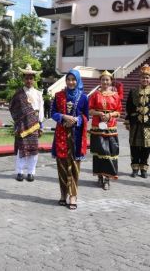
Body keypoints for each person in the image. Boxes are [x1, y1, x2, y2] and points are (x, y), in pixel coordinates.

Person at [51, 69, 89, 210]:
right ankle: (63, 194)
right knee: (61, 166)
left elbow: (86, 117)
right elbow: (52, 113)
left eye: (73, 79)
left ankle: (73, 196)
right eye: (68, 79)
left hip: (76, 137)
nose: (71, 82)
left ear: (77, 80)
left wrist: (77, 120)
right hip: (61, 135)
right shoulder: (59, 95)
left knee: (74, 167)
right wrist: (63, 117)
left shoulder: (84, 97)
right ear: (65, 81)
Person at [125, 64, 150, 178]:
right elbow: (128, 107)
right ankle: (135, 168)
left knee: (147, 146)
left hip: (149, 123)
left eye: (147, 78)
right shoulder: (133, 91)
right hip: (135, 122)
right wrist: (127, 121)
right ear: (139, 78)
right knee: (134, 146)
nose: (145, 80)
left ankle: (144, 168)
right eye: (143, 77)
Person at [9, 64, 44, 182]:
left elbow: (41, 110)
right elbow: (12, 108)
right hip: (22, 125)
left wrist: (41, 125)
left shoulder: (38, 94)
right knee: (21, 149)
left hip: (34, 125)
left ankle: (31, 172)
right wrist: (17, 122)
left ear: (34, 79)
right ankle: (19, 172)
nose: (29, 80)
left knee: (33, 150)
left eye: (31, 78)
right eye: (27, 78)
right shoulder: (18, 94)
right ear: (23, 79)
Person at [89, 70, 123, 190]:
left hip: (111, 127)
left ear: (111, 81)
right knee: (99, 152)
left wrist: (110, 115)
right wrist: (99, 113)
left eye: (107, 80)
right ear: (100, 81)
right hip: (98, 126)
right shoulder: (95, 95)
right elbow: (90, 110)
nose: (105, 82)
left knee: (110, 152)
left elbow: (119, 112)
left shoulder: (115, 95)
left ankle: (107, 178)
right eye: (103, 79)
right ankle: (99, 175)